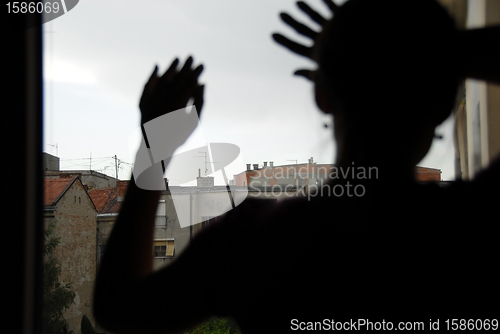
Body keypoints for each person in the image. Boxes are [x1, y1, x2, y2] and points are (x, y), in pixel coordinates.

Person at [93, 1, 500, 332]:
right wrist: (443, 53)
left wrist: (156, 146)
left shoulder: (257, 242)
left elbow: (118, 310)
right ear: (445, 105)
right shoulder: (472, 223)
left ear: (322, 96)